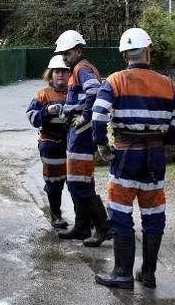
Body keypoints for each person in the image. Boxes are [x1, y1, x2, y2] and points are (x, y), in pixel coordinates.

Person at [93, 28, 175, 290]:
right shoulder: (167, 84)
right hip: (155, 158)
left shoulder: (114, 81)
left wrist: (102, 144)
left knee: (121, 212)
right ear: (149, 50)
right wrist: (162, 141)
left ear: (125, 54)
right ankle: (148, 273)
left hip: (125, 154)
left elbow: (99, 116)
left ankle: (122, 274)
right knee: (154, 212)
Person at [54, 30, 111, 247]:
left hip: (81, 133)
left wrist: (84, 116)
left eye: (67, 53)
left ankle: (103, 227)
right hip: (78, 133)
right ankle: (82, 226)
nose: (64, 58)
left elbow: (94, 92)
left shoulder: (82, 68)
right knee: (78, 182)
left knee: (79, 184)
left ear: (78, 50)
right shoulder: (81, 68)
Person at [26, 55, 72, 230]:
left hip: (72, 144)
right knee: (54, 181)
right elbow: (32, 117)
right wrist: (47, 110)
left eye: (64, 71)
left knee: (75, 181)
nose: (60, 75)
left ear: (69, 74)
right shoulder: (43, 94)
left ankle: (84, 218)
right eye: (57, 71)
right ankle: (56, 215)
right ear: (51, 74)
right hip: (50, 143)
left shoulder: (73, 92)